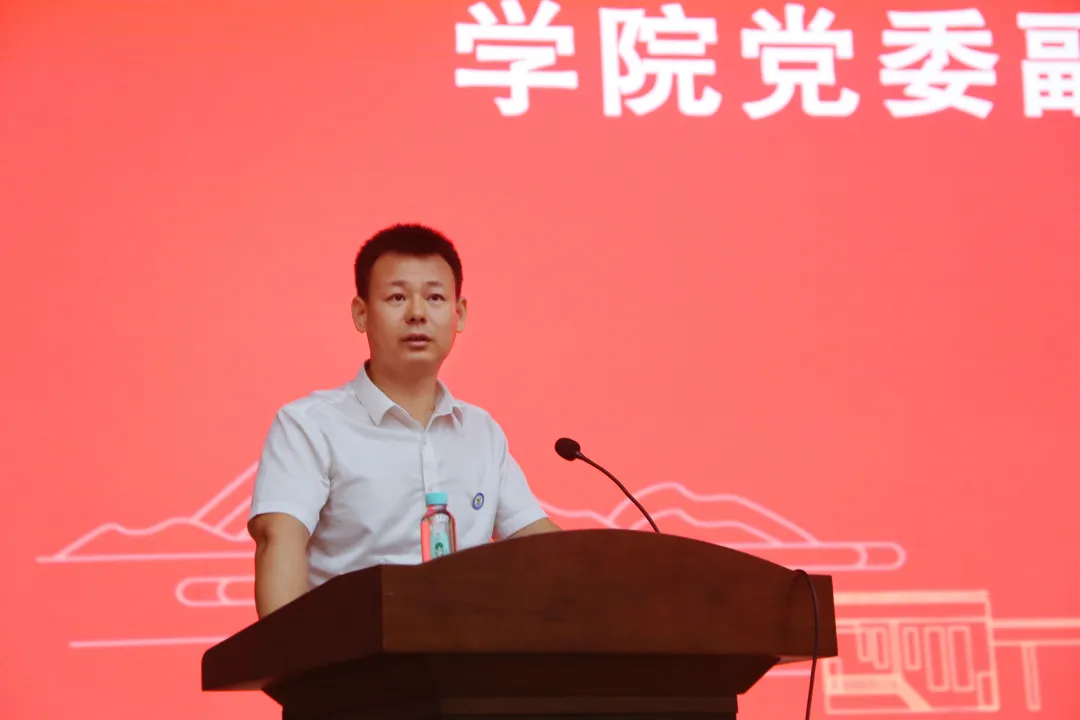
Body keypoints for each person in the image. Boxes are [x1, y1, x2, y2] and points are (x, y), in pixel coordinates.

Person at [247, 223, 560, 619]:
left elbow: (541, 547)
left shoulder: (481, 432)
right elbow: (279, 541)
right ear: (361, 314)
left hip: (468, 651)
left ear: (459, 314)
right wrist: (291, 653)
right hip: (351, 653)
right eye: (397, 297)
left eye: (434, 297)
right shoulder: (310, 426)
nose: (416, 313)